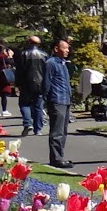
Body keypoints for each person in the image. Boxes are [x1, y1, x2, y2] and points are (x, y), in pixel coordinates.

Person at [43, 39, 74, 169]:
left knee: (63, 131)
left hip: (65, 99)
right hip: (56, 99)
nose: (67, 50)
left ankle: (60, 156)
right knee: (57, 131)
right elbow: (46, 82)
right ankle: (56, 158)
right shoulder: (51, 63)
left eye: (68, 48)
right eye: (64, 48)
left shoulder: (63, 63)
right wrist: (46, 99)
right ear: (56, 49)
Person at [13, 35, 48, 137]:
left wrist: (17, 83)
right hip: (40, 83)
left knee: (24, 104)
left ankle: (28, 123)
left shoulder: (23, 54)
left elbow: (19, 70)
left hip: (26, 83)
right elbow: (46, 70)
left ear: (28, 42)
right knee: (38, 106)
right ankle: (38, 129)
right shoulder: (44, 55)